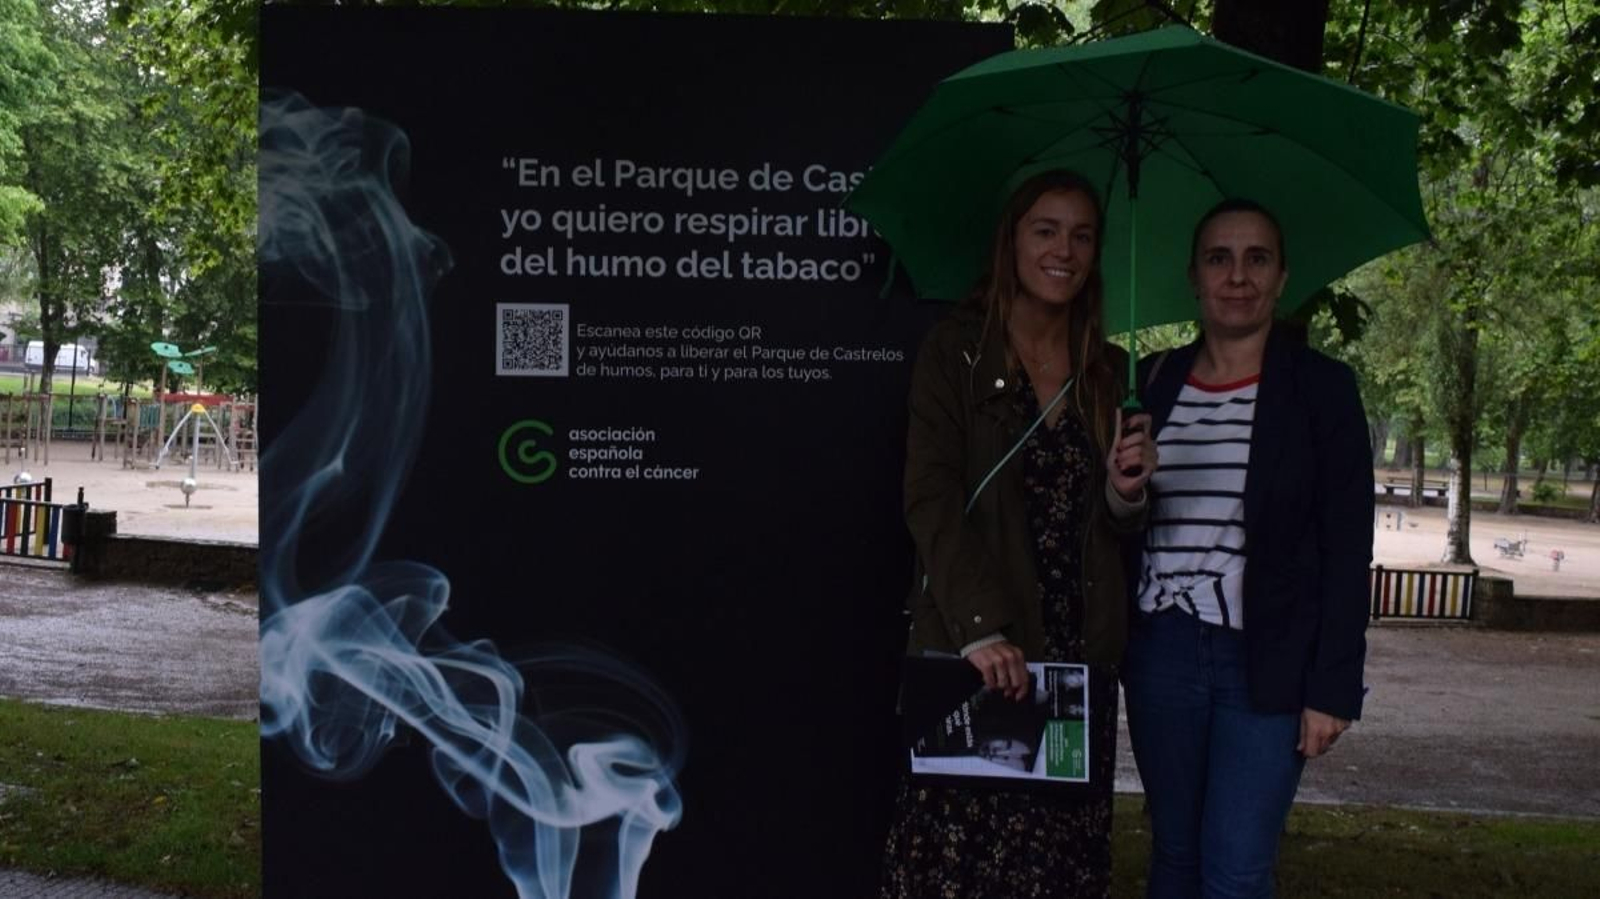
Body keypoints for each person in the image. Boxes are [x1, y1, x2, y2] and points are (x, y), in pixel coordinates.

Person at [880, 169, 1157, 898]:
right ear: (1012, 242)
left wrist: (1127, 493)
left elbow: (1111, 526)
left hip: (1074, 663)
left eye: (1082, 234)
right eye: (1046, 229)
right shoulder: (957, 351)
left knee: (1055, 870)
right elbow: (929, 495)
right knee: (964, 866)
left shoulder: (1110, 372)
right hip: (981, 652)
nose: (1064, 249)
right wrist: (980, 627)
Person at [1120, 199, 1375, 898]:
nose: (1238, 276)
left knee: (1234, 868)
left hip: (1264, 661)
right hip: (1162, 653)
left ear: (1282, 276)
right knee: (1173, 855)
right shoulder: (1154, 381)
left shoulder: (1320, 389)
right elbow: (1123, 525)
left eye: (1256, 258)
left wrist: (1333, 687)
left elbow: (1348, 545)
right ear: (1194, 278)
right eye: (1219, 258)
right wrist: (1127, 490)